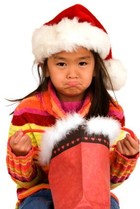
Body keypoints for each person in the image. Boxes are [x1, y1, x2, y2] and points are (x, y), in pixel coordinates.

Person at [6, 4, 139, 209]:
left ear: (96, 68)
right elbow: (25, 181)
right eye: (61, 64)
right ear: (46, 68)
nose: (72, 73)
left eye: (82, 63)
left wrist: (126, 157)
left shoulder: (110, 111)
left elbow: (110, 180)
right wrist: (19, 155)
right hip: (43, 191)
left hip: (93, 192)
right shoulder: (28, 110)